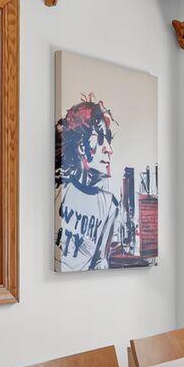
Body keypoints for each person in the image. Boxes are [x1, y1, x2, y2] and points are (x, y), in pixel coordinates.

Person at [54, 98, 128, 271]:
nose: (109, 149)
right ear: (81, 147)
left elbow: (100, 262)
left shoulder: (109, 205)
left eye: (109, 140)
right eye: (101, 140)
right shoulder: (59, 191)